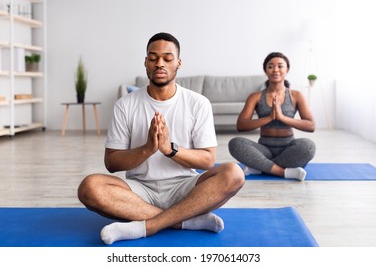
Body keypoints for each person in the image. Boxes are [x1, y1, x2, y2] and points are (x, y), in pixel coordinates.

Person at [77, 32, 245, 245]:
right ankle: (184, 220)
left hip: (185, 187)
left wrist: (170, 149)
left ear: (178, 63)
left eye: (167, 58)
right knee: (89, 187)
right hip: (140, 190)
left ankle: (147, 225)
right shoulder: (125, 105)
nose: (160, 63)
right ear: (146, 62)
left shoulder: (198, 103)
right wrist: (147, 148)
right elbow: (111, 163)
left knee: (234, 173)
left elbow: (208, 161)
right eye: (153, 58)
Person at [228, 52, 316, 181]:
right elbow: (241, 125)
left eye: (280, 66)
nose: (275, 70)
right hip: (264, 149)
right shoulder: (255, 96)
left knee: (308, 147)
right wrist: (269, 118)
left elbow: (311, 125)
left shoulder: (296, 96)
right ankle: (283, 171)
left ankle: (259, 167)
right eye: (270, 66)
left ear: (287, 69)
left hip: (288, 148)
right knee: (235, 143)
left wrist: (282, 117)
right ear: (265, 70)